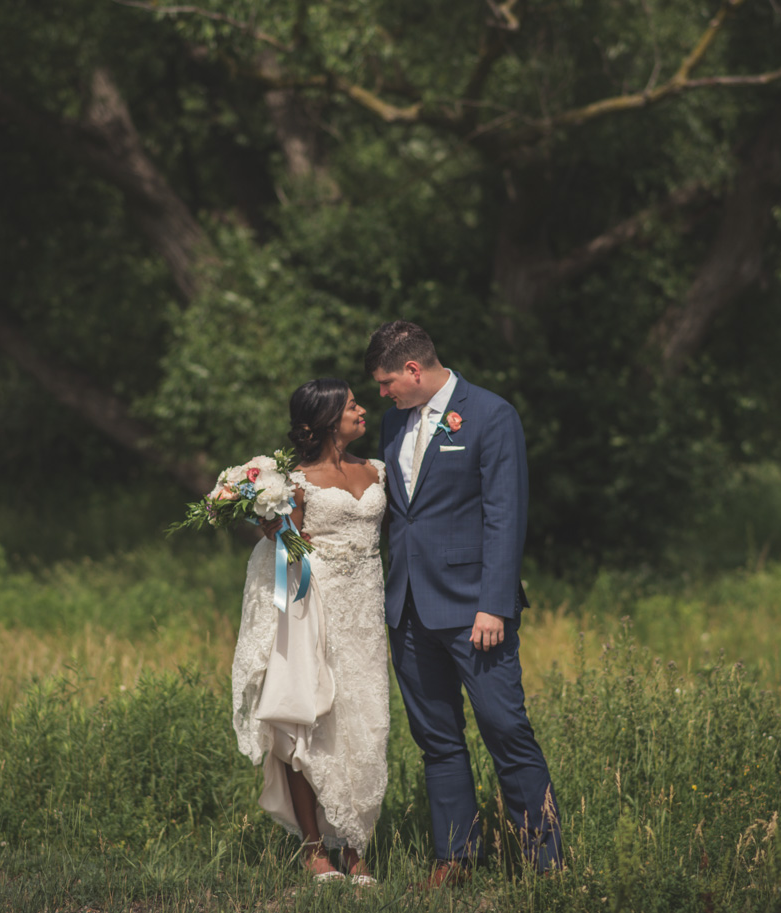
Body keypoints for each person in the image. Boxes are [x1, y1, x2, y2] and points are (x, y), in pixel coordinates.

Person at [366, 320, 563, 884]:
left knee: (506, 729)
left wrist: (494, 604)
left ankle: (544, 862)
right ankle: (456, 857)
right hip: (407, 609)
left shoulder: (492, 415)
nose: (382, 394)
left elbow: (505, 513)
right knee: (436, 739)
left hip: (474, 610)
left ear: (412, 369)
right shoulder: (393, 423)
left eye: (386, 382)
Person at [230, 379, 389, 884]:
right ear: (324, 420)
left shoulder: (378, 469)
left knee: (365, 722)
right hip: (314, 606)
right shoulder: (295, 483)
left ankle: (354, 842)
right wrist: (271, 524)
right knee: (310, 719)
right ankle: (315, 846)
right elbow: (286, 548)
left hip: (366, 611)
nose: (362, 410)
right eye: (351, 406)